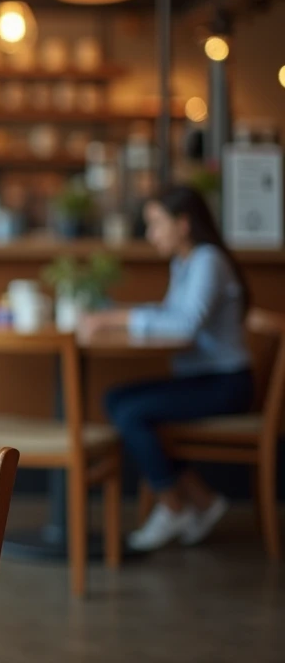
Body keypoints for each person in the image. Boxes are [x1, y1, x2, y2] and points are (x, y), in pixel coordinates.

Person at [80, 185, 252, 552]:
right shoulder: (186, 261)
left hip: (226, 384)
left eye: (157, 223)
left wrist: (118, 317)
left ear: (184, 223)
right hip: (201, 379)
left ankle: (173, 506)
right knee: (116, 399)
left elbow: (185, 325)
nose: (150, 234)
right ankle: (202, 501)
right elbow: (171, 315)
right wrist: (118, 314)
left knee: (132, 412)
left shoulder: (209, 260)